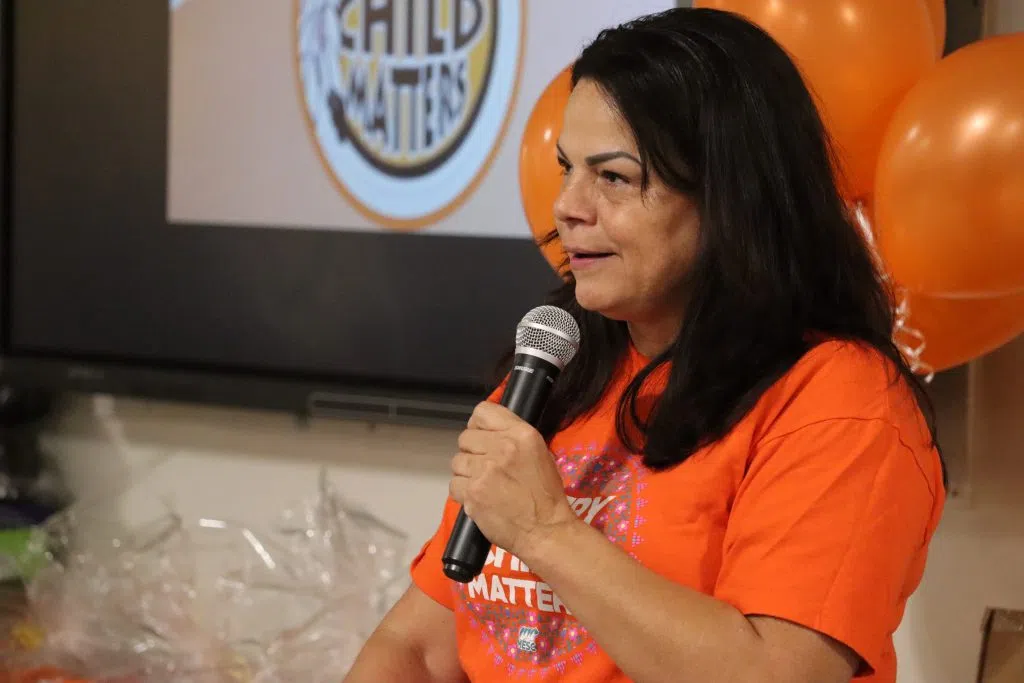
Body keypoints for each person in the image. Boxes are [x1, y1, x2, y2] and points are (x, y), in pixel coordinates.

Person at [343, 7, 945, 683]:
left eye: (614, 177)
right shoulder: (559, 370)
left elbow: (774, 671)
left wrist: (547, 532)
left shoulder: (842, 402)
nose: (568, 205)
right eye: (568, 168)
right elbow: (419, 646)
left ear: (728, 194)